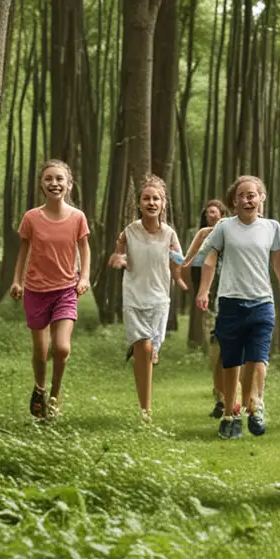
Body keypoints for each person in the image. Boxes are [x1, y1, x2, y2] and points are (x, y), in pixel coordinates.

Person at [195, 175, 280, 439]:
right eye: (242, 195)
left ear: (261, 198)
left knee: (259, 357)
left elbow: (279, 265)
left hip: (262, 302)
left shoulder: (272, 227)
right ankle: (230, 414)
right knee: (231, 361)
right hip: (231, 302)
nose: (248, 199)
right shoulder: (225, 227)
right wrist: (204, 290)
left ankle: (256, 404)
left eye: (253, 194)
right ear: (234, 201)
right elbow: (209, 260)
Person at [9, 159, 92, 420]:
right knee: (41, 350)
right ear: (42, 185)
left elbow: (85, 248)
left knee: (62, 348)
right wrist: (16, 280)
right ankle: (40, 390)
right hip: (36, 290)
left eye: (59, 179)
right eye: (48, 179)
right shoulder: (31, 217)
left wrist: (84, 277)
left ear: (69, 185)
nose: (54, 183)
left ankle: (55, 397)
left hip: (67, 289)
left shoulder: (77, 217)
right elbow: (23, 250)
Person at [107, 174, 187, 422]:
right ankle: (145, 410)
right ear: (139, 203)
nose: (151, 202)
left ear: (163, 204)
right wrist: (118, 260)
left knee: (151, 347)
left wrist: (180, 278)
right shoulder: (128, 232)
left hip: (159, 298)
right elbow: (115, 257)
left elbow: (177, 262)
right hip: (133, 297)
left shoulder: (169, 234)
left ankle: (149, 355)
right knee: (144, 347)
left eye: (156, 198)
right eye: (147, 198)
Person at [185, 198, 232, 419]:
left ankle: (235, 399)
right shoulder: (204, 234)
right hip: (211, 297)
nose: (211, 216)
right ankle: (220, 399)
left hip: (232, 298)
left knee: (232, 355)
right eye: (208, 212)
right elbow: (189, 258)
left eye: (215, 212)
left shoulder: (233, 232)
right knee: (217, 353)